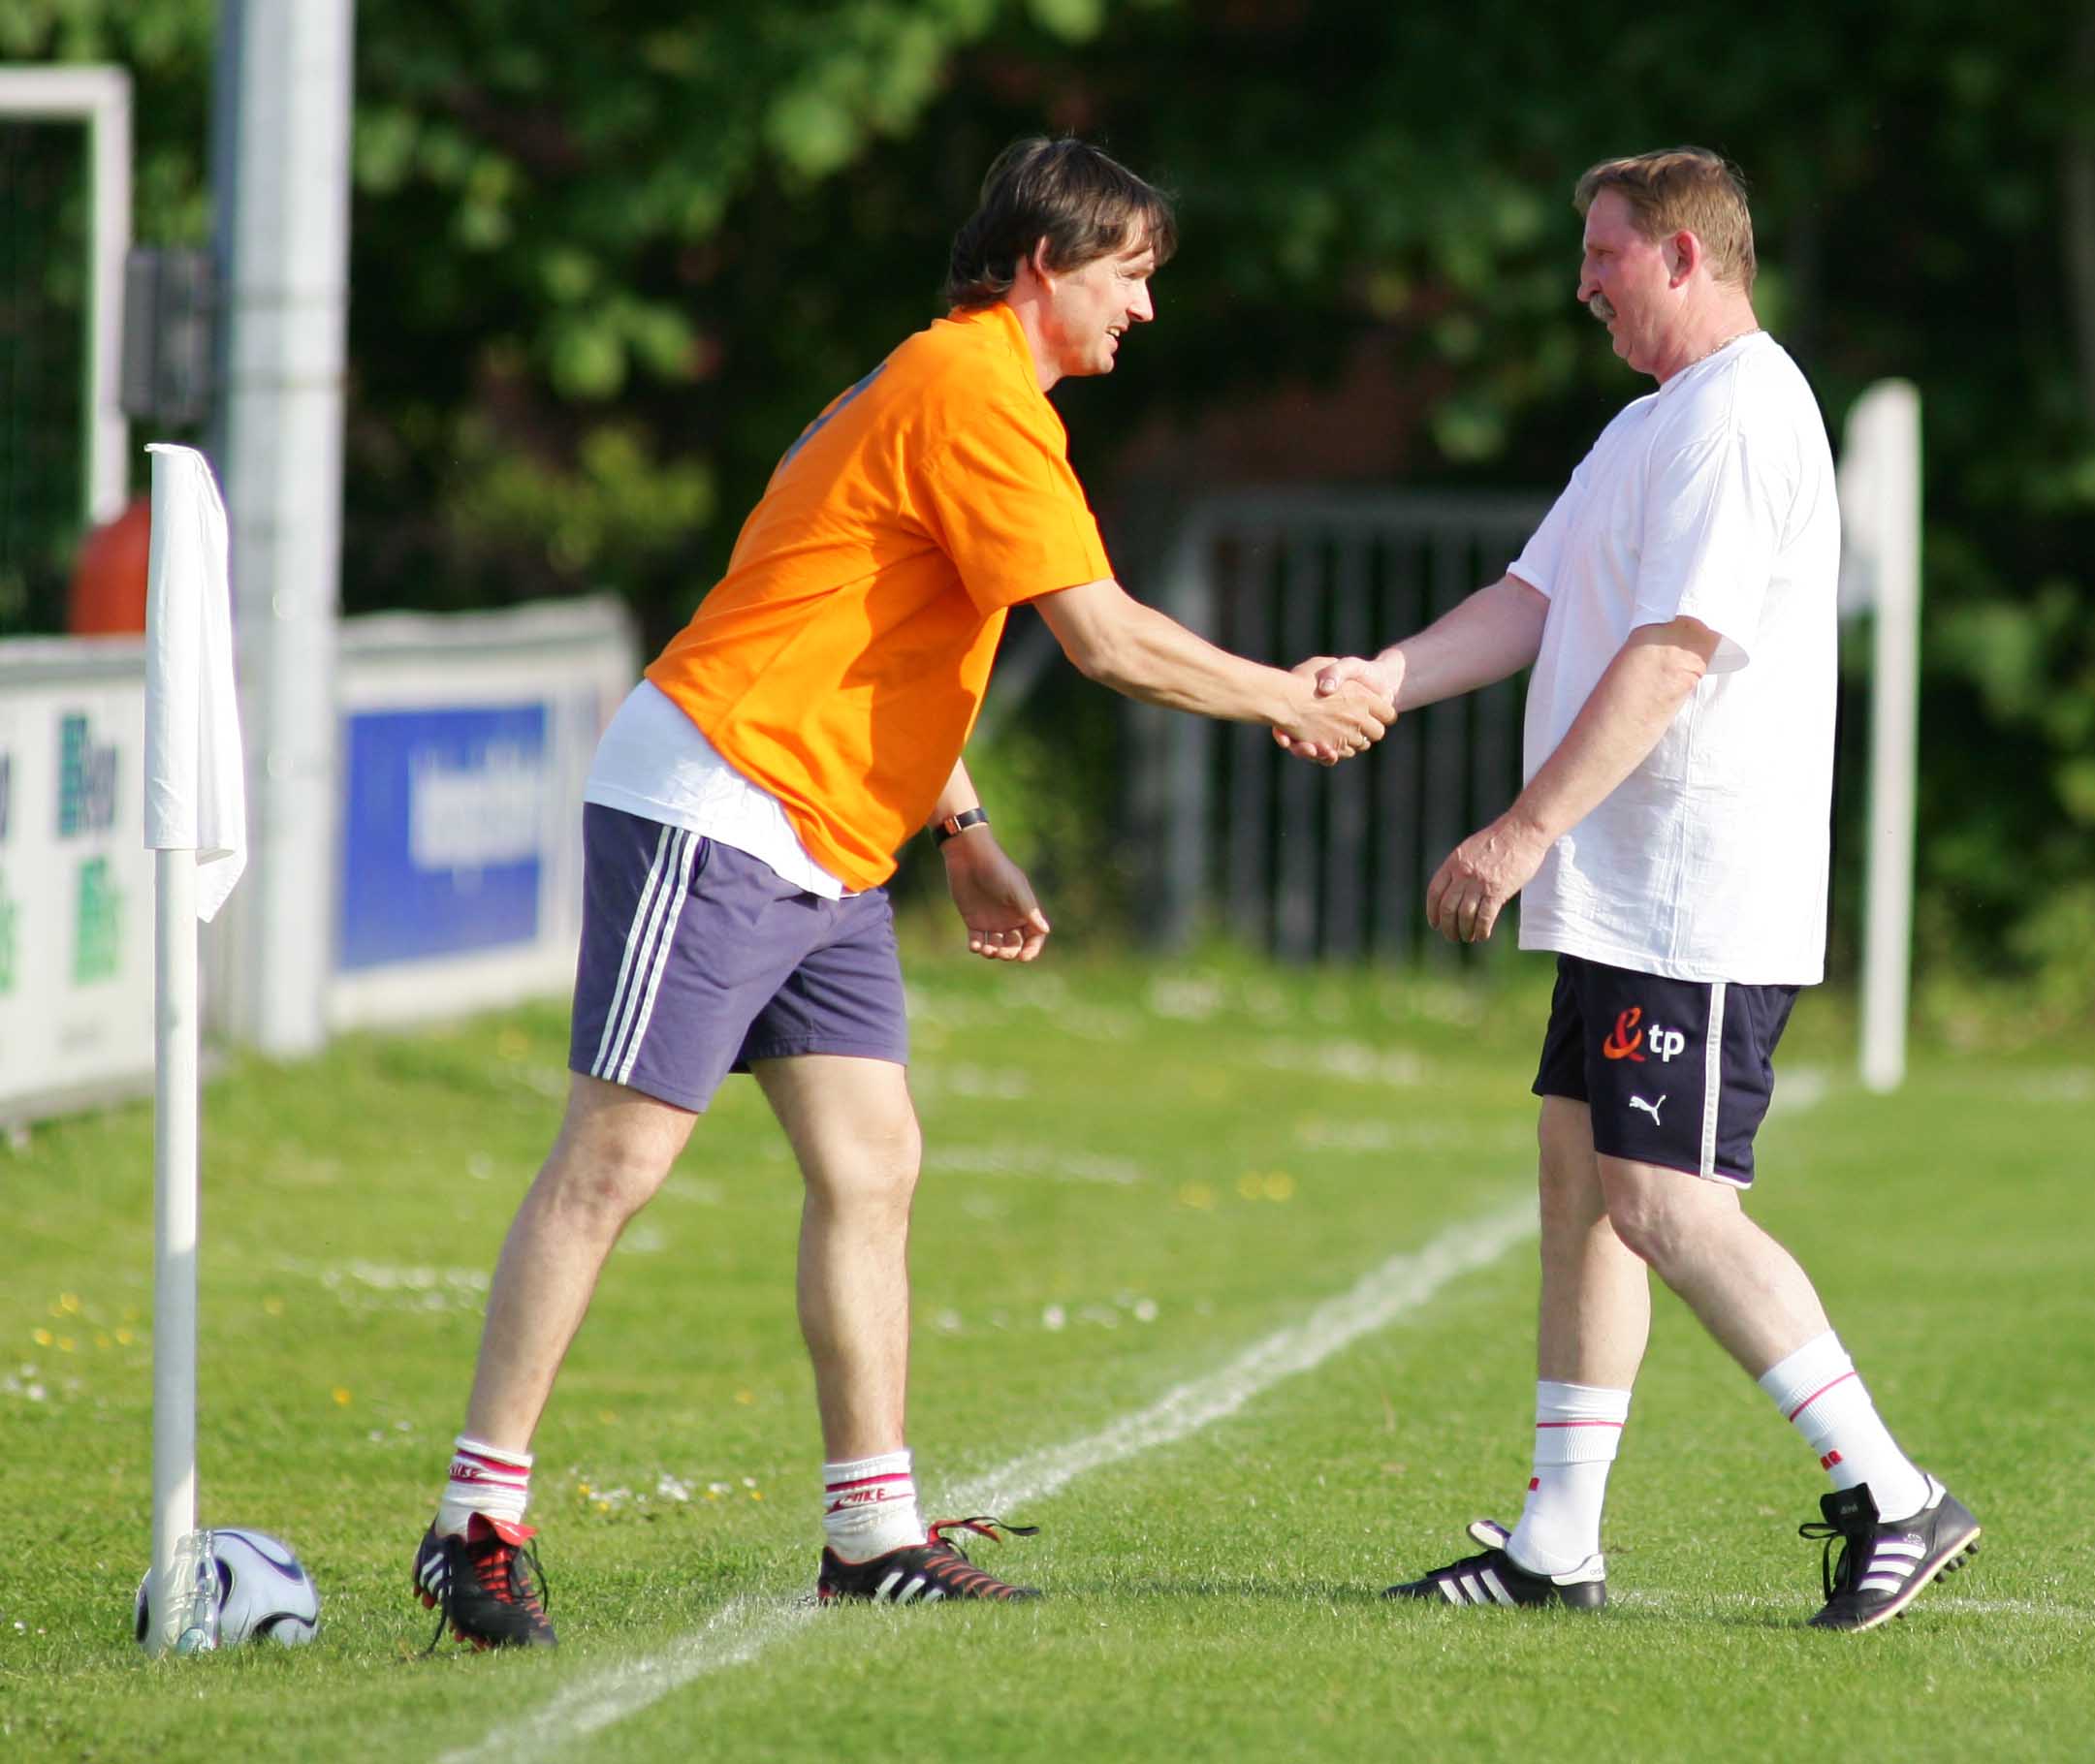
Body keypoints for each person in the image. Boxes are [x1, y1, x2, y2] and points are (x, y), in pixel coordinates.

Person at [411, 136, 1395, 1649]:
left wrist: (965, 825)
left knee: (874, 1164)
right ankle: (473, 1524)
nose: (1144, 309)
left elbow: (867, 618)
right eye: (1131, 276)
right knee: (615, 1165)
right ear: (1041, 267)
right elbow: (1105, 640)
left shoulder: (968, 396)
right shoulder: (969, 388)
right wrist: (1290, 697)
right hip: (721, 798)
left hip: (841, 839)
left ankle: (870, 1535)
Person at [1289, 146, 1978, 1631]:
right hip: (1625, 891)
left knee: (1664, 1204)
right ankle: (1557, 1542)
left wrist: (1523, 830)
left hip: (1695, 890)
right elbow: (1534, 603)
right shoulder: (1648, 425)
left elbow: (1674, 653)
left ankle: (1898, 1494)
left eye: (1603, 253)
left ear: (1683, 254)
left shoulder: (1742, 415)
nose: (1581, 281)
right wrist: (1381, 684)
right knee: (1581, 1195)